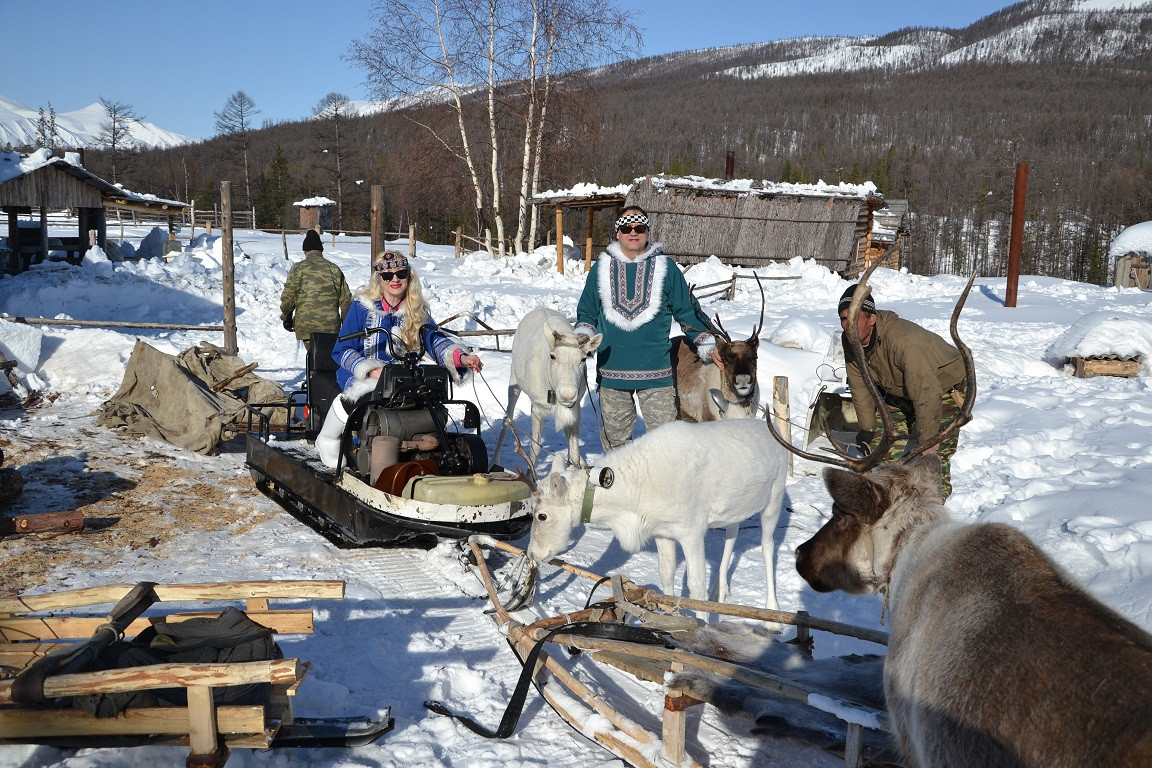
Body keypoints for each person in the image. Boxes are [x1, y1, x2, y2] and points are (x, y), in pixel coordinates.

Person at [314, 250, 482, 467]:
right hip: (363, 372)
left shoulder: (415, 310)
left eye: (401, 274)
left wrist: (462, 358)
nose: (395, 279)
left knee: (428, 397)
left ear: (408, 277)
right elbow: (342, 349)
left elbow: (435, 340)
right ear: (379, 280)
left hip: (403, 375)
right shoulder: (361, 307)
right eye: (387, 276)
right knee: (361, 395)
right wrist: (369, 370)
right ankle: (327, 437)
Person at [574, 205, 717, 450]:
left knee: (666, 443)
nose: (633, 233)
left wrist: (710, 346)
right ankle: (620, 488)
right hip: (612, 373)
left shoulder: (666, 268)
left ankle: (664, 489)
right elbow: (587, 311)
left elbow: (686, 311)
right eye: (626, 228)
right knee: (617, 446)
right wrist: (582, 338)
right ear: (617, 233)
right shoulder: (600, 268)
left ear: (647, 232)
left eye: (639, 228)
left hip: (657, 375)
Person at [838, 283, 967, 497]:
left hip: (942, 391)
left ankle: (932, 511)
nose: (846, 325)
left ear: (871, 319)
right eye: (843, 319)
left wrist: (928, 441)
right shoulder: (850, 340)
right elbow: (859, 383)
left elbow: (927, 392)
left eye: (853, 318)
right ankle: (888, 503)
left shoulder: (904, 341)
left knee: (933, 461)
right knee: (880, 452)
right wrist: (868, 428)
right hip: (898, 391)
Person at [280, 229, 352, 350]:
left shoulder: (297, 269)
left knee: (314, 359)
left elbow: (288, 297)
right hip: (331, 327)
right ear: (321, 250)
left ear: (305, 251)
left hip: (306, 326)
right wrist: (346, 324)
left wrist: (286, 318)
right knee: (327, 362)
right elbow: (346, 300)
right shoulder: (334, 269)